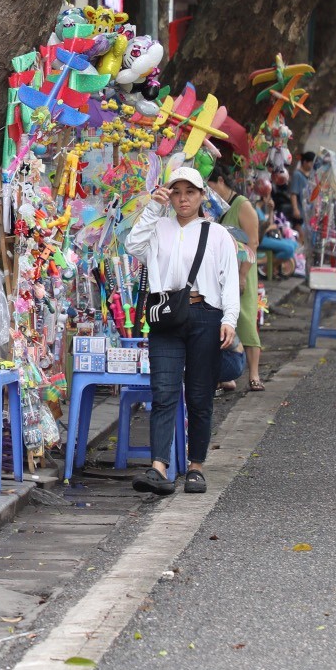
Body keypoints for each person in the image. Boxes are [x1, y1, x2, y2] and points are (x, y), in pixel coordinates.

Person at [125, 166, 241, 497]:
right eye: (176, 192)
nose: (182, 199)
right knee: (163, 392)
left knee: (199, 395)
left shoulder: (217, 234)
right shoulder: (158, 227)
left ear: (202, 196)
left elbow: (228, 279)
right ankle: (159, 467)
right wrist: (152, 207)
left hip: (206, 315)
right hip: (166, 316)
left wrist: (229, 319)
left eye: (190, 192)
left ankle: (196, 467)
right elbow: (133, 245)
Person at [208, 168, 266, 392]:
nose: (209, 192)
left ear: (221, 181)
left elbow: (253, 242)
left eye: (211, 186)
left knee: (245, 319)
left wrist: (242, 275)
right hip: (219, 272)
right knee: (221, 321)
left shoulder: (242, 205)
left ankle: (254, 374)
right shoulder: (212, 206)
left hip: (242, 269)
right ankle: (226, 375)